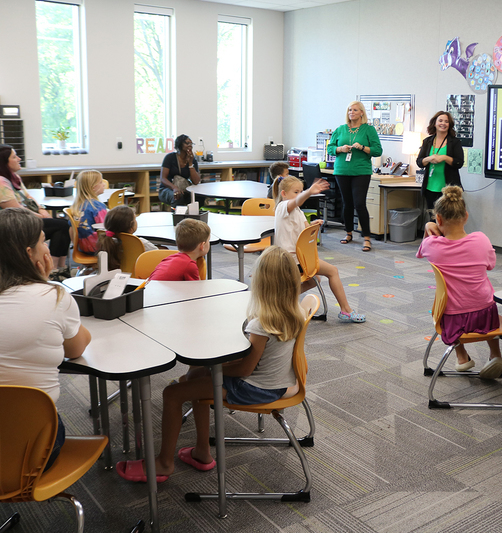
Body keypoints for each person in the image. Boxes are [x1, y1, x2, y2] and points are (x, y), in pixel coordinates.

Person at [117, 246, 306, 481]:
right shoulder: (294, 311)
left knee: (172, 394)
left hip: (256, 388)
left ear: (262, 283)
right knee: (195, 375)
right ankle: (202, 452)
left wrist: (215, 369)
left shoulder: (262, 324)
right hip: (277, 381)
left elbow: (245, 369)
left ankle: (164, 463)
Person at [0, 208, 91, 470]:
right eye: (43, 241)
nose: (47, 248)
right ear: (30, 253)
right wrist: (45, 283)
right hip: (33, 446)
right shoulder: (55, 297)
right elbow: (76, 349)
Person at [416, 185, 502, 379]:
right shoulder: (481, 240)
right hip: (486, 314)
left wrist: (428, 227)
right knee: (486, 301)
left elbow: (421, 251)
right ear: (466, 216)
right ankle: (495, 354)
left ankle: (462, 357)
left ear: (438, 219)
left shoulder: (432, 245)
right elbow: (490, 265)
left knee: (451, 304)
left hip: (454, 319)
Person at [273, 175, 366, 323]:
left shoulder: (297, 210)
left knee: (314, 280)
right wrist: (309, 192)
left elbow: (303, 230)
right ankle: (346, 310)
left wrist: (313, 225)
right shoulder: (283, 207)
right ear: (283, 193)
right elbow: (296, 201)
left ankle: (281, 298)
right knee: (332, 271)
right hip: (291, 261)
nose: (299, 195)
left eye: (301, 191)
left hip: (300, 258)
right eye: (296, 192)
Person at [0, 144, 72, 281]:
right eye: (14, 157)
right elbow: (16, 209)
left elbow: (28, 197)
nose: (19, 159)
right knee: (62, 226)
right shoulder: (1, 182)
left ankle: (60, 267)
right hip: (14, 224)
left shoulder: (14, 177)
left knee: (63, 225)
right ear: (4, 162)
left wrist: (42, 209)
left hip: (26, 218)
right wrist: (39, 216)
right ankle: (53, 269)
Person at [327, 101, 383, 252]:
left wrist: (363, 148)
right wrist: (340, 148)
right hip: (342, 170)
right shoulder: (340, 129)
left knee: (359, 203)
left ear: (362, 113)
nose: (351, 112)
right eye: (350, 110)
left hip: (361, 171)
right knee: (347, 203)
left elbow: (378, 150)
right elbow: (330, 148)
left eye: (355, 110)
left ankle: (366, 238)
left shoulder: (368, 130)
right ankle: (348, 233)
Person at [416, 111, 464, 211]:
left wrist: (445, 158)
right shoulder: (427, 141)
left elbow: (459, 162)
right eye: (440, 121)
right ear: (435, 123)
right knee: (433, 217)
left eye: (446, 121)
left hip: (449, 190)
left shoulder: (455, 142)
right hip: (430, 187)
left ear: (449, 125)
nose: (443, 123)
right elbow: (419, 162)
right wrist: (429, 159)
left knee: (447, 217)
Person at [97, 206, 158, 271]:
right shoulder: (140, 243)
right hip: (138, 275)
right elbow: (158, 256)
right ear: (131, 227)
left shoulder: (106, 240)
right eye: (135, 219)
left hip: (115, 274)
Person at [158, 135, 200, 208]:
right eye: (187, 143)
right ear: (180, 144)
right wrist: (174, 188)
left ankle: (194, 214)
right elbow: (163, 178)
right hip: (167, 188)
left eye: (191, 143)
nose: (190, 145)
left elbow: (196, 181)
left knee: (199, 197)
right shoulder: (170, 157)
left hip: (184, 188)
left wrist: (190, 163)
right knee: (178, 196)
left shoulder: (192, 159)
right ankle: (177, 215)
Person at [71, 170, 107, 254]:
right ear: (93, 187)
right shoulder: (98, 206)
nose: (104, 184)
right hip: (98, 247)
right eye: (101, 182)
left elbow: (70, 229)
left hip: (82, 247)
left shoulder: (77, 206)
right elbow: (105, 228)